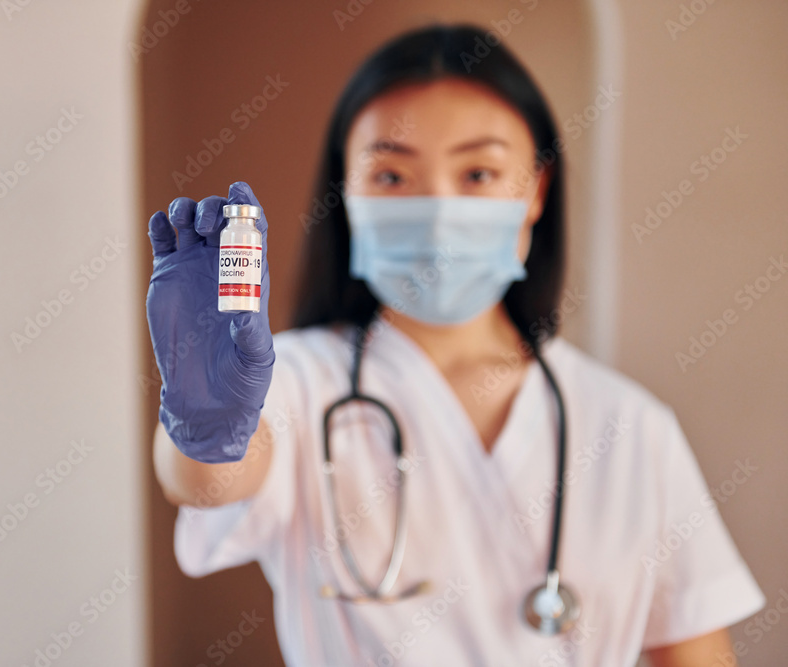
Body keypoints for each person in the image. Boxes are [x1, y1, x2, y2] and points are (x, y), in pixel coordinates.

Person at [146, 24, 765, 667]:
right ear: (346, 196)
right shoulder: (296, 378)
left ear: (535, 191)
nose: (438, 209)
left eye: (477, 172)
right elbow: (204, 484)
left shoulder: (630, 427)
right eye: (390, 175)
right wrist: (206, 426)